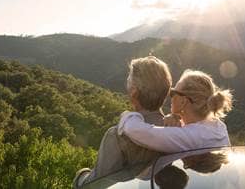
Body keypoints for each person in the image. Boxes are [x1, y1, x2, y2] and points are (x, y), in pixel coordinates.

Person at [73, 56, 172, 188]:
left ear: (134, 92)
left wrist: (81, 175)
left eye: (129, 78)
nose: (127, 80)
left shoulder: (117, 136)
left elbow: (97, 185)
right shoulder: (175, 129)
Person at [118, 69, 232, 153]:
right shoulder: (218, 126)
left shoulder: (190, 137)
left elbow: (136, 131)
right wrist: (177, 120)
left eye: (173, 93)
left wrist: (127, 115)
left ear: (183, 101)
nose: (170, 96)